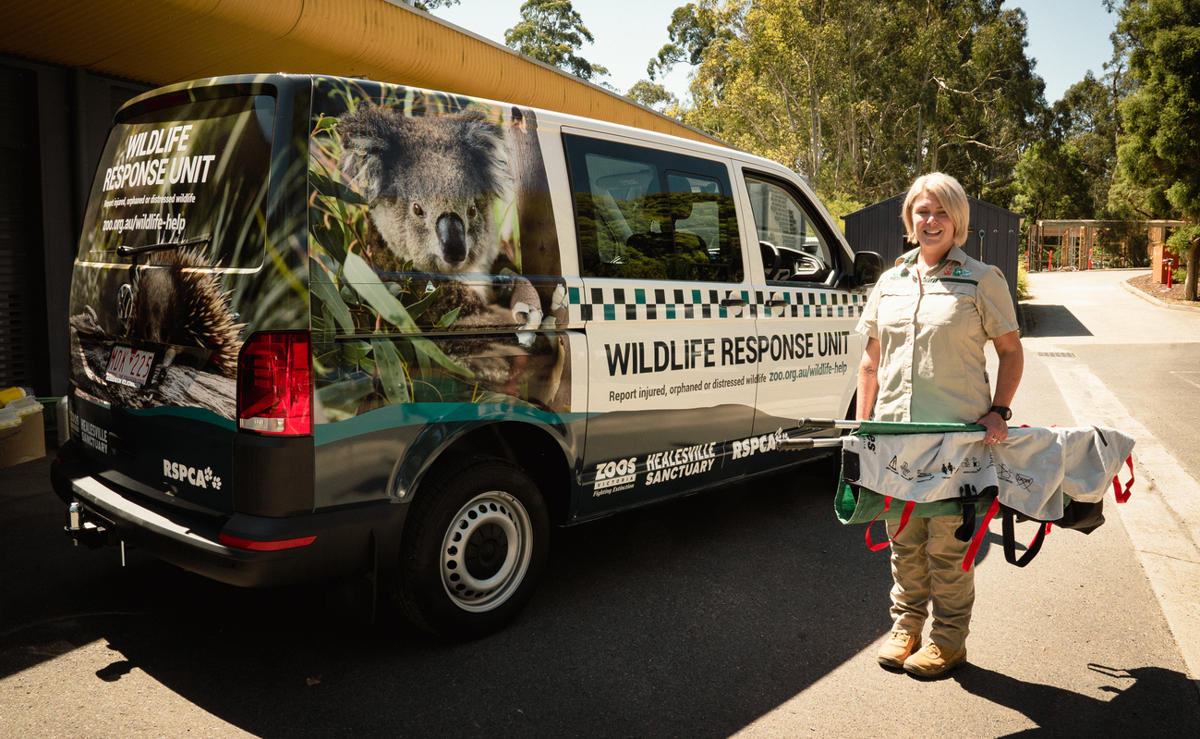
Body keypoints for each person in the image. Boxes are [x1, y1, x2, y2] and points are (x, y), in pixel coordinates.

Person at [854, 172, 1023, 678]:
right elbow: (870, 363)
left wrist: (999, 410)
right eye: (922, 212)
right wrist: (864, 430)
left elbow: (1011, 353)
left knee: (949, 549)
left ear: (958, 221)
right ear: (909, 219)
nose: (930, 221)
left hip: (956, 445)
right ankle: (905, 628)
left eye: (941, 212)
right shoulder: (890, 281)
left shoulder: (981, 279)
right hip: (895, 442)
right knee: (904, 539)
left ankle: (948, 642)